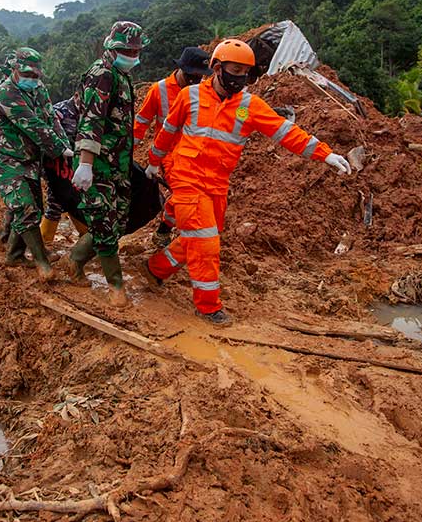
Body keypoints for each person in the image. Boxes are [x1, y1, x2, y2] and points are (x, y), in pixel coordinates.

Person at [141, 39, 352, 326]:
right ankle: (207, 306)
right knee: (206, 243)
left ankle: (155, 269)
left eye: (245, 72)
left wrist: (325, 154)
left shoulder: (249, 106)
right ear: (216, 68)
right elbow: (168, 130)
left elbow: (285, 131)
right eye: (235, 69)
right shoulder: (189, 96)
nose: (240, 77)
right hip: (186, 176)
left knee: (196, 238)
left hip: (217, 183)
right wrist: (154, 161)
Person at [69, 21, 149, 307]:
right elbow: (91, 120)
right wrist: (86, 164)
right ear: (113, 47)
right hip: (100, 166)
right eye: (127, 49)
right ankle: (116, 286)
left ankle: (75, 258)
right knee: (104, 223)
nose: (133, 54)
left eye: (137, 49)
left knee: (116, 223)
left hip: (119, 165)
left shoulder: (121, 75)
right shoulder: (102, 74)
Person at [0, 47, 72, 280]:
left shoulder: (39, 89)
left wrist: (65, 147)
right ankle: (41, 262)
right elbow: (33, 125)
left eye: (36, 75)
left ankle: (13, 254)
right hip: (5, 158)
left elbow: (51, 118)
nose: (32, 79)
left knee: (33, 208)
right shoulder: (5, 93)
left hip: (30, 160)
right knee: (25, 208)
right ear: (15, 69)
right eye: (27, 74)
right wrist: (57, 148)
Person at [133, 46, 211, 248]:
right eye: (192, 76)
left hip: (196, 153)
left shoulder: (205, 90)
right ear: (181, 69)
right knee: (182, 195)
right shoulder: (159, 90)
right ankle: (164, 233)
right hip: (169, 154)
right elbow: (141, 123)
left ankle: (167, 228)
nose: (196, 81)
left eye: (200, 77)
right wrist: (127, 152)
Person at [39, 98, 89, 246]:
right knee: (56, 200)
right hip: (56, 165)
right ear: (77, 96)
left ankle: (86, 235)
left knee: (74, 198)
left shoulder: (89, 113)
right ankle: (44, 241)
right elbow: (46, 138)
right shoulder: (58, 112)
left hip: (76, 164)